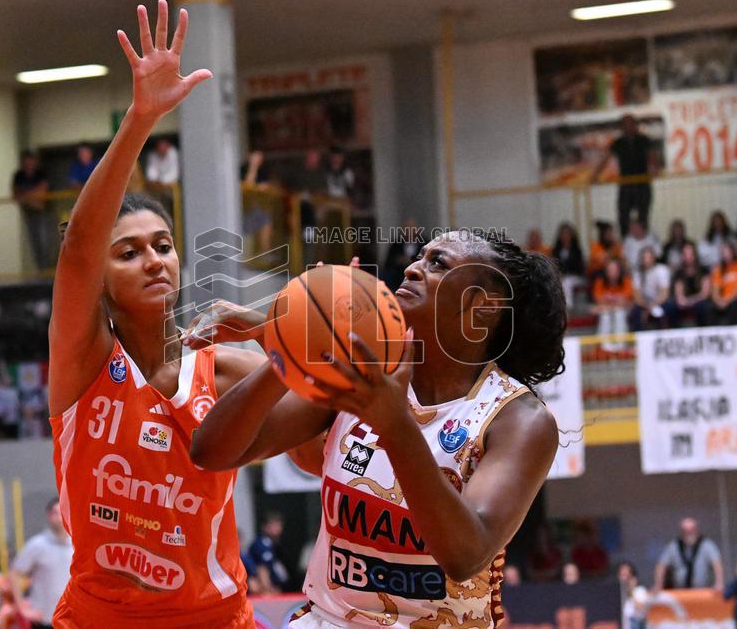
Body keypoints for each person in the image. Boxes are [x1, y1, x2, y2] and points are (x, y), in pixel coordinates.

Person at [189, 230, 566, 627]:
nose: (412, 269)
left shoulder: (518, 418)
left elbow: (464, 554)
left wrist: (395, 425)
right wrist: (297, 341)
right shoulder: (361, 371)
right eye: (421, 257)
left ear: (482, 306)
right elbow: (211, 452)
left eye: (438, 263)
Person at [47, 1, 254, 628]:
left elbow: (319, 419)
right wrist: (141, 119)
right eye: (129, 252)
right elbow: (80, 245)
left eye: (163, 246)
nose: (153, 260)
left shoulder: (222, 372)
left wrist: (280, 328)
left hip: (216, 619)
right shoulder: (82, 364)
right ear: (101, 283)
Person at [10, 499, 73, 629]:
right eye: (55, 512)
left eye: (63, 512)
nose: (60, 516)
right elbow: (13, 574)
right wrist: (22, 608)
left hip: (71, 620)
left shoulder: (77, 545)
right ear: (49, 516)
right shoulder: (37, 544)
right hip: (43, 620)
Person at [590, 114, 657, 236]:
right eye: (625, 125)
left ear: (635, 125)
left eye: (630, 124)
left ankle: (644, 245)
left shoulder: (643, 139)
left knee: (643, 216)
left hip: (642, 183)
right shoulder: (618, 142)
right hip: (626, 185)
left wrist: (653, 168)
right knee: (623, 217)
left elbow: (651, 156)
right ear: (622, 127)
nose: (628, 127)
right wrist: (595, 175)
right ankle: (626, 244)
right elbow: (606, 158)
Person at [654, 517, 724, 591]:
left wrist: (719, 583)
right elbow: (661, 565)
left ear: (696, 530)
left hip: (702, 591)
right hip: (680, 591)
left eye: (691, 530)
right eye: (685, 531)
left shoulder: (707, 545)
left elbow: (717, 564)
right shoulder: (673, 546)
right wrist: (658, 584)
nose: (688, 534)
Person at [12, 150, 53, 273]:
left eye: (31, 161)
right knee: (34, 242)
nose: (29, 163)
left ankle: (48, 268)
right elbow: (16, 195)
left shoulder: (41, 173)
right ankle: (41, 269)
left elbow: (43, 190)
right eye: (27, 161)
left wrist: (26, 196)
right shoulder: (19, 175)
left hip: (43, 212)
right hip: (29, 213)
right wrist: (33, 197)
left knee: (45, 241)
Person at [707, 241, 737, 326]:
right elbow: (715, 289)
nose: (725, 255)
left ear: (733, 252)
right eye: (723, 252)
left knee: (734, 307)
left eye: (727, 252)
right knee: (709, 308)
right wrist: (718, 301)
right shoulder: (719, 269)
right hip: (723, 301)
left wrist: (727, 300)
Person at [592, 258, 633, 351]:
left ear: (619, 271)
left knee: (619, 314)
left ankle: (621, 345)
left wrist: (609, 301)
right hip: (606, 310)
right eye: (610, 270)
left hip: (623, 310)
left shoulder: (627, 280)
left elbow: (625, 301)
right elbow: (599, 300)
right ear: (606, 271)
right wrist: (615, 302)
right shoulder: (600, 282)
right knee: (605, 315)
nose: (612, 272)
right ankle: (604, 346)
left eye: (615, 270)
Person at [667, 243, 710, 327]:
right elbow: (679, 294)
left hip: (699, 300)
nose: (688, 257)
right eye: (685, 254)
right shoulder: (679, 273)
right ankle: (675, 333)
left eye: (690, 254)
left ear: (695, 255)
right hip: (685, 301)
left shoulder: (703, 270)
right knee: (671, 307)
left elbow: (705, 293)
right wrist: (683, 301)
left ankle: (703, 332)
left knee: (703, 306)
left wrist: (691, 301)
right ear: (682, 256)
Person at [246, 513, 289, 596]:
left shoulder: (274, 544)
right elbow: (262, 568)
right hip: (266, 591)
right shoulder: (262, 544)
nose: (279, 529)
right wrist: (268, 589)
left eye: (280, 525)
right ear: (265, 527)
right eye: (275, 525)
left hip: (276, 587)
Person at [629, 247, 670, 331]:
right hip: (644, 304)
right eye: (644, 258)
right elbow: (637, 296)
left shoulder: (662, 270)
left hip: (660, 302)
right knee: (636, 311)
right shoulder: (637, 273)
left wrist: (653, 306)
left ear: (654, 258)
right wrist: (647, 307)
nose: (647, 260)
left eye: (649, 258)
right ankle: (639, 339)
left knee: (666, 309)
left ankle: (664, 337)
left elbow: (664, 293)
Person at [552, 222, 585, 309]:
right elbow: (554, 265)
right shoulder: (556, 250)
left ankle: (567, 307)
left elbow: (580, 268)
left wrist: (567, 273)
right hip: (560, 277)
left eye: (567, 234)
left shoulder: (577, 250)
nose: (565, 236)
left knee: (567, 282)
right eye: (563, 234)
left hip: (575, 276)